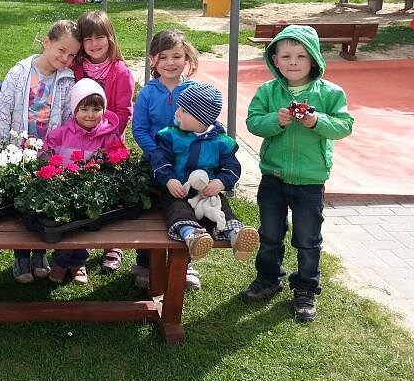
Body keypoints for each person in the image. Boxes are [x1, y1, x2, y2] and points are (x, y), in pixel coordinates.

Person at [241, 25, 353, 322]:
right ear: (275, 60)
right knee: (269, 233)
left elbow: (344, 126)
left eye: (301, 56)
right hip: (273, 177)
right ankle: (268, 278)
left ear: (314, 59)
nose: (293, 62)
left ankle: (305, 288)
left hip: (310, 180)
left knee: (307, 238)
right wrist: (275, 121)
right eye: (286, 56)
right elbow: (253, 123)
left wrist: (317, 121)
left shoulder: (330, 93)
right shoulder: (268, 91)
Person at [0, 19, 81, 283]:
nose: (65, 58)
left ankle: (40, 254)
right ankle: (21, 257)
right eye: (61, 50)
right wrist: (4, 150)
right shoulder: (19, 73)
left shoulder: (67, 79)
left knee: (44, 202)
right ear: (46, 42)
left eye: (72, 55)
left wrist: (61, 153)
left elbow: (68, 119)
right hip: (19, 153)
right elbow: (4, 112)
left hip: (49, 154)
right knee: (22, 203)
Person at [149, 83, 260, 270]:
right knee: (177, 209)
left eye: (183, 110)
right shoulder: (170, 136)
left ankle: (236, 235)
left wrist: (220, 182)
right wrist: (169, 179)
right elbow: (159, 160)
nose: (177, 113)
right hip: (179, 190)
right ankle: (192, 235)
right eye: (178, 108)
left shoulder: (221, 142)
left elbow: (232, 167)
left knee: (221, 207)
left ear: (201, 118)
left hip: (207, 192)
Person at [131, 29, 201, 290]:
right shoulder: (148, 93)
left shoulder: (194, 91)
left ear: (187, 58)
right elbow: (139, 129)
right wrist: (158, 155)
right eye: (163, 57)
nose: (170, 63)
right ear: (153, 60)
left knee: (185, 210)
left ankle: (184, 264)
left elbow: (203, 125)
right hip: (152, 163)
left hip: (185, 165)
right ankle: (144, 263)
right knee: (150, 212)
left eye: (177, 56)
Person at [71, 10, 135, 273]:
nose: (94, 44)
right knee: (82, 190)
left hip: (110, 142)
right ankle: (81, 249)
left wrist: (103, 132)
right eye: (88, 39)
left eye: (99, 37)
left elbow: (124, 112)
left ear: (110, 38)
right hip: (79, 141)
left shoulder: (120, 71)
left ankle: (113, 246)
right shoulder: (76, 68)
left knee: (111, 194)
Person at [44, 78, 123, 284]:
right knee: (65, 226)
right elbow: (46, 156)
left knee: (86, 227)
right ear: (74, 110)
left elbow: (117, 160)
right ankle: (60, 262)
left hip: (92, 191)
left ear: (103, 110)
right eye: (84, 109)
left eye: (96, 109)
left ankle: (79, 262)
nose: (90, 115)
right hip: (63, 189)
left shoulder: (108, 136)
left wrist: (109, 161)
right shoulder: (60, 134)